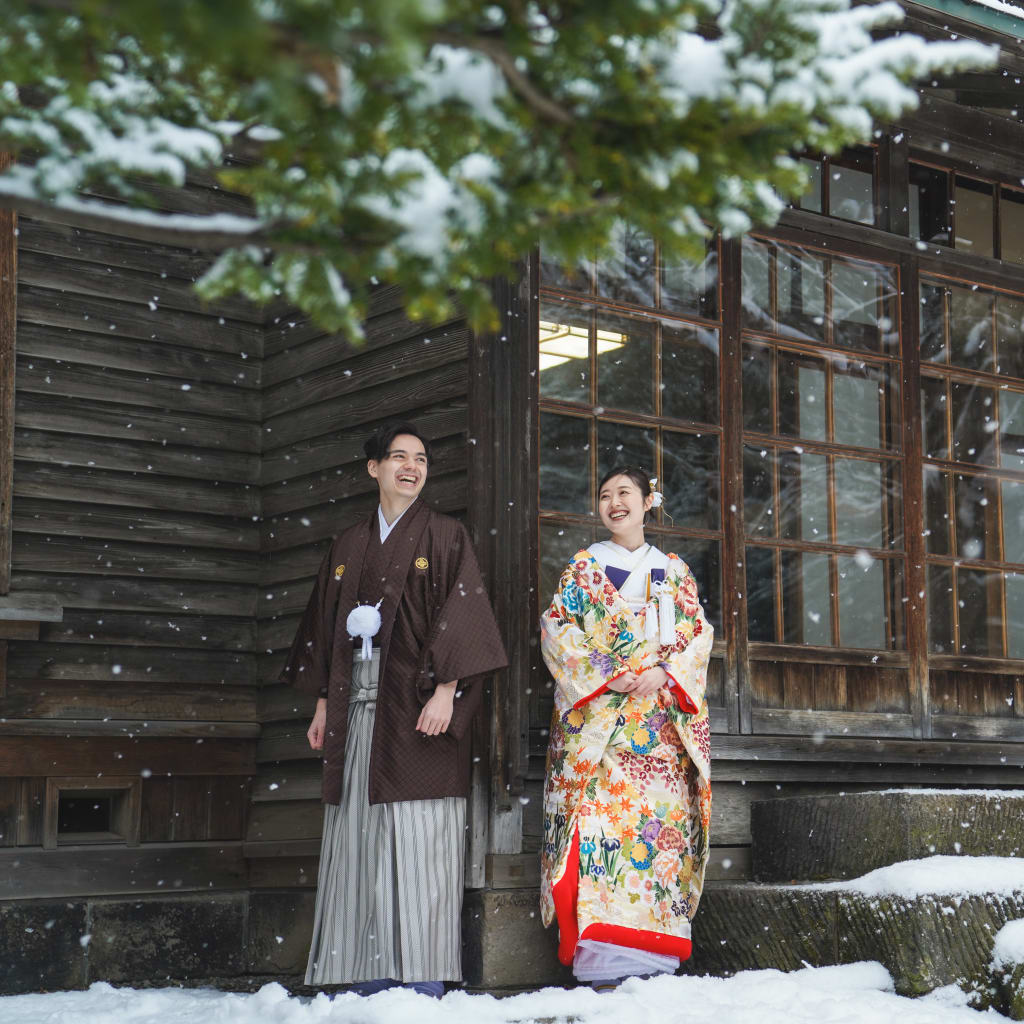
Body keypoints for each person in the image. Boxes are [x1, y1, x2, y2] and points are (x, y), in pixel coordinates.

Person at [280, 421, 507, 997]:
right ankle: (358, 967)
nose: (412, 467)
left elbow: (466, 619)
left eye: (422, 459)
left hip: (417, 703)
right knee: (357, 832)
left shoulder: (445, 535)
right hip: (357, 704)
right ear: (373, 468)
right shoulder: (348, 544)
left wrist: (447, 689)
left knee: (420, 835)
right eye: (399, 457)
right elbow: (328, 629)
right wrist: (324, 705)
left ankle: (421, 971)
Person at [539, 466, 713, 989]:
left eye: (625, 494)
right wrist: (609, 673)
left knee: (657, 835)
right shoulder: (583, 569)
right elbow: (556, 629)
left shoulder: (674, 571)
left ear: (647, 503)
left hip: (658, 729)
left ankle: (653, 959)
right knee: (594, 833)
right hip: (599, 727)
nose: (614, 503)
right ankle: (599, 959)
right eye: (605, 496)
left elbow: (696, 635)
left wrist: (666, 671)